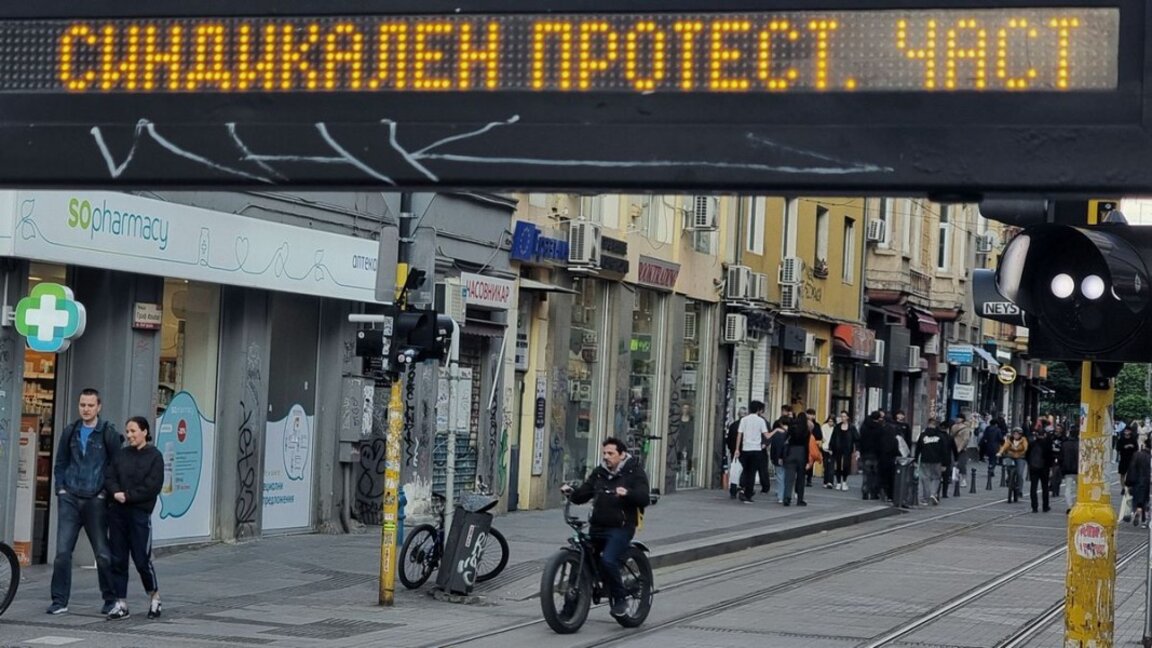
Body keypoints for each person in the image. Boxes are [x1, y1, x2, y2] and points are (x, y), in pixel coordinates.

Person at [48, 388, 121, 616]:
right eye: (82, 405)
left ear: (98, 407)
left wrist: (104, 494)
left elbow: (116, 466)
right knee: (61, 552)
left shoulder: (107, 433)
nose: (86, 409)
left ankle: (110, 599)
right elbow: (60, 462)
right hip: (69, 496)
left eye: (90, 405)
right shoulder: (70, 431)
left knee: (102, 552)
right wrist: (60, 489)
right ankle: (59, 600)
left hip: (95, 499)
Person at [561, 437, 651, 618]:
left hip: (621, 527)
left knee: (608, 560)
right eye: (604, 453)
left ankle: (620, 599)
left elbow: (644, 498)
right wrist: (572, 492)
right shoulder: (599, 473)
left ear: (622, 454)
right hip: (598, 526)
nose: (606, 457)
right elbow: (584, 494)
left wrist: (628, 493)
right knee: (580, 561)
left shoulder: (634, 471)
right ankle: (569, 610)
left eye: (611, 453)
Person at [105, 416, 164, 620]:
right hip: (118, 513)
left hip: (139, 513)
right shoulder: (122, 455)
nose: (129, 435)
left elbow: (152, 486)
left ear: (145, 432)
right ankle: (121, 603)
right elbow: (109, 476)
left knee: (141, 559)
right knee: (118, 559)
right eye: (127, 431)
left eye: (133, 431)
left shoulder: (155, 456)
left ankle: (154, 597)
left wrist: (128, 496)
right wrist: (115, 493)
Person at [733, 401, 770, 503]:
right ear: (758, 410)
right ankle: (748, 494)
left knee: (745, 470)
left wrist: (737, 449)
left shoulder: (744, 420)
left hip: (746, 449)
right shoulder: (761, 421)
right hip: (756, 450)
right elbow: (767, 436)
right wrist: (776, 431)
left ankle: (742, 488)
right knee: (752, 473)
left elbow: (739, 435)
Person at [915, 418, 950, 506]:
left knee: (925, 479)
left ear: (928, 424)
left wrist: (915, 460)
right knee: (936, 478)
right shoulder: (940, 436)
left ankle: (925, 498)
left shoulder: (922, 435)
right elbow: (944, 450)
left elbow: (918, 448)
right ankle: (933, 493)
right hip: (937, 460)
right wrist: (945, 463)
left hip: (925, 460)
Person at [782, 410, 811, 507]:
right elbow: (807, 446)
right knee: (801, 478)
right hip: (801, 453)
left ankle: (786, 497)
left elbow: (786, 440)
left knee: (789, 478)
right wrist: (807, 460)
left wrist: (782, 455)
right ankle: (800, 499)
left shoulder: (791, 427)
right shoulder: (806, 430)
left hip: (791, 451)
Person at [1026, 425, 1054, 513]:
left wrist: (1030, 464)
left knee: (1033, 487)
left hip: (1033, 467)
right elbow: (1050, 457)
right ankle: (1045, 506)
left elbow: (1027, 455)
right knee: (1045, 487)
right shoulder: (1047, 445)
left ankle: (1034, 507)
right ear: (1044, 435)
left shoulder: (1032, 443)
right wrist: (1050, 467)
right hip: (1044, 468)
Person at [858, 411, 885, 500]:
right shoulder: (880, 428)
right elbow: (881, 443)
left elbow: (860, 440)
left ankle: (865, 492)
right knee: (875, 475)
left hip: (865, 453)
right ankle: (873, 493)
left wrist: (860, 451)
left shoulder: (864, 426)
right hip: (876, 454)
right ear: (878, 418)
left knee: (866, 474)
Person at [829, 411, 857, 492]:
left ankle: (844, 481)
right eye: (841, 416)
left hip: (847, 449)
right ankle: (838, 482)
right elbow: (833, 438)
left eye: (844, 416)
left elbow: (856, 438)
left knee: (846, 465)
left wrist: (857, 449)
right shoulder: (837, 427)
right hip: (838, 449)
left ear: (847, 417)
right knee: (838, 465)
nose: (843, 418)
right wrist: (831, 447)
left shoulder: (851, 427)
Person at [998, 427, 1029, 503]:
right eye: (1014, 434)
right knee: (1008, 466)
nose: (1016, 435)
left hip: (1020, 457)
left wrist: (1023, 453)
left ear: (1020, 435)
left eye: (1017, 434)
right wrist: (1000, 452)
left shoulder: (1024, 440)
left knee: (1020, 473)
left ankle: (1020, 490)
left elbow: (1025, 448)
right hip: (1010, 456)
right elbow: (1005, 446)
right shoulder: (1010, 440)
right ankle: (1009, 478)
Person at [1126, 440, 1152, 528]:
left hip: (1137, 481)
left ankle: (1137, 510)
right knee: (1146, 501)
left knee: (1137, 499)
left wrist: (1129, 483)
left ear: (1144, 445)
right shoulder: (1149, 457)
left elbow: (1131, 468)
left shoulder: (1137, 454)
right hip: (1148, 482)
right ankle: (1145, 521)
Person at [724, 407, 746, 499]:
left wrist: (731, 449)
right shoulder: (746, 425)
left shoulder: (733, 425)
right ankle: (742, 488)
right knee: (744, 471)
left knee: (734, 472)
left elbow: (728, 439)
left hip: (735, 452)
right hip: (745, 451)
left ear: (738, 414)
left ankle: (733, 490)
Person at [1062, 426, 1080, 513]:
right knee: (1079, 488)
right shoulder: (1081, 444)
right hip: (1079, 469)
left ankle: (1069, 505)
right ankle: (1077, 504)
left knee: (1068, 488)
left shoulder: (1065, 444)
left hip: (1068, 469)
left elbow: (1061, 457)